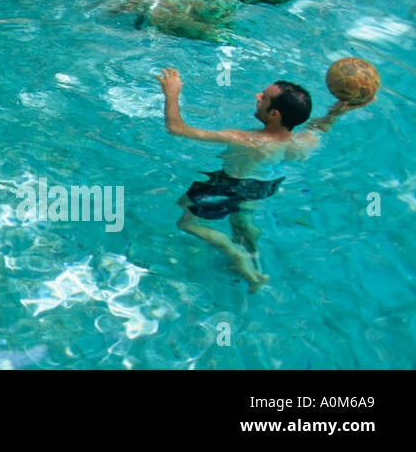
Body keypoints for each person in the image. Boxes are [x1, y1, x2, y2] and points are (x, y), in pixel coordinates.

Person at [156, 67, 371, 292]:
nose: (257, 97)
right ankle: (256, 262)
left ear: (274, 114)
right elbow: (322, 126)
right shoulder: (304, 141)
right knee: (241, 219)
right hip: (262, 186)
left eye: (264, 97)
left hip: (227, 186)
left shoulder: (243, 139)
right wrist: (337, 111)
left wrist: (172, 92)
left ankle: (237, 255)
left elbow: (176, 128)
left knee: (187, 223)